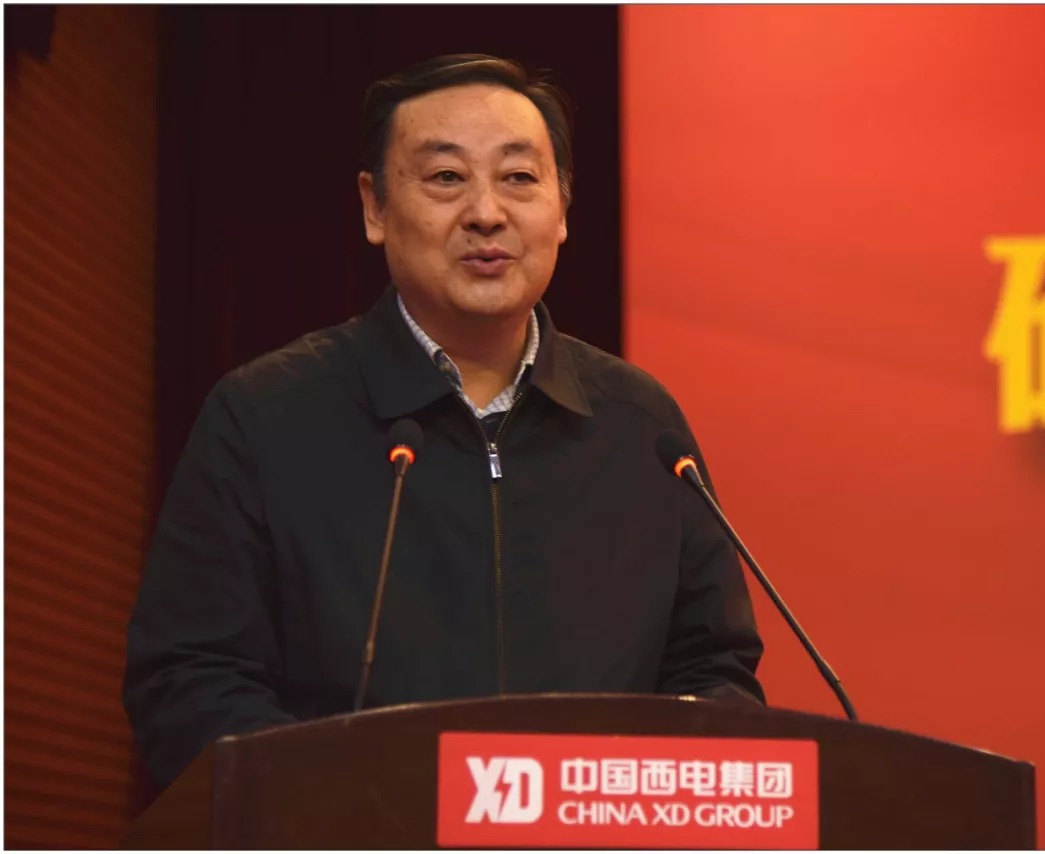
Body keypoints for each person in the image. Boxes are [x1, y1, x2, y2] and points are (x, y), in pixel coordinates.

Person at [123, 53, 765, 789]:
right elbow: (190, 680)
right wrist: (351, 808)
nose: (486, 212)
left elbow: (713, 672)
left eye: (519, 177)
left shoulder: (643, 429)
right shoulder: (265, 416)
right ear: (374, 207)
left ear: (562, 209)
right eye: (446, 177)